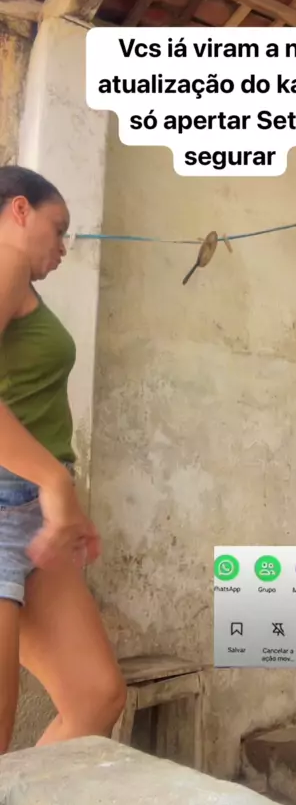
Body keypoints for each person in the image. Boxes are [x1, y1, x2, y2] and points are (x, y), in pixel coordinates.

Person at [0, 165, 126, 754]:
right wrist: (54, 481)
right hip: (9, 502)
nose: (64, 246)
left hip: (32, 514)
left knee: (95, 696)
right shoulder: (4, 260)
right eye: (59, 227)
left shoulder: (19, 283)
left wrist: (59, 497)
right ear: (19, 210)